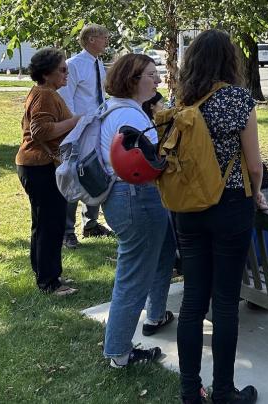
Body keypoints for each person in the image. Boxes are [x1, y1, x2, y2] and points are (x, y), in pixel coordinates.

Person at [174, 29, 267, 404]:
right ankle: (224, 390)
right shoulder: (238, 100)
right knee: (225, 301)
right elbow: (255, 165)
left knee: (193, 300)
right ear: (230, 60)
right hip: (230, 204)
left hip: (188, 207)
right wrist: (256, 192)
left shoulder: (181, 101)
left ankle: (188, 390)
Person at [99, 54, 176, 368]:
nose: (157, 81)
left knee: (163, 251)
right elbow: (156, 163)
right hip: (136, 198)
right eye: (151, 75)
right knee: (132, 277)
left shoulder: (115, 109)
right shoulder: (130, 119)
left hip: (123, 197)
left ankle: (155, 314)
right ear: (133, 79)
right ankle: (119, 353)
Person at [16, 48, 80, 296]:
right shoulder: (45, 94)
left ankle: (46, 273)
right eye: (63, 69)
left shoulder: (45, 92)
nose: (67, 73)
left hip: (35, 165)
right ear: (47, 73)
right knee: (50, 224)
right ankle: (49, 282)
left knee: (44, 223)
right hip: (40, 166)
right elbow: (40, 131)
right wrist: (76, 121)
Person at [57, 23, 113, 249]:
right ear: (91, 39)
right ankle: (67, 231)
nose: (107, 41)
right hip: (78, 128)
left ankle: (90, 223)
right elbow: (65, 97)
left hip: (96, 126)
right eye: (104, 37)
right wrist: (72, 127)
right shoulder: (74, 65)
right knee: (73, 174)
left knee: (95, 171)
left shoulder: (98, 63)